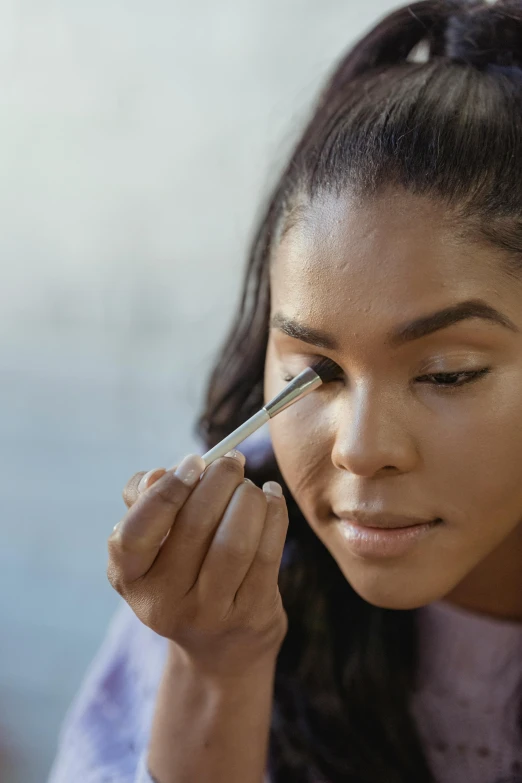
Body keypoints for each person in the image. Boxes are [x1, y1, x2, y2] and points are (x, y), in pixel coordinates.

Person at [48, 1, 522, 781]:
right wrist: (218, 669)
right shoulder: (210, 595)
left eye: (446, 373)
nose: (361, 450)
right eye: (315, 372)